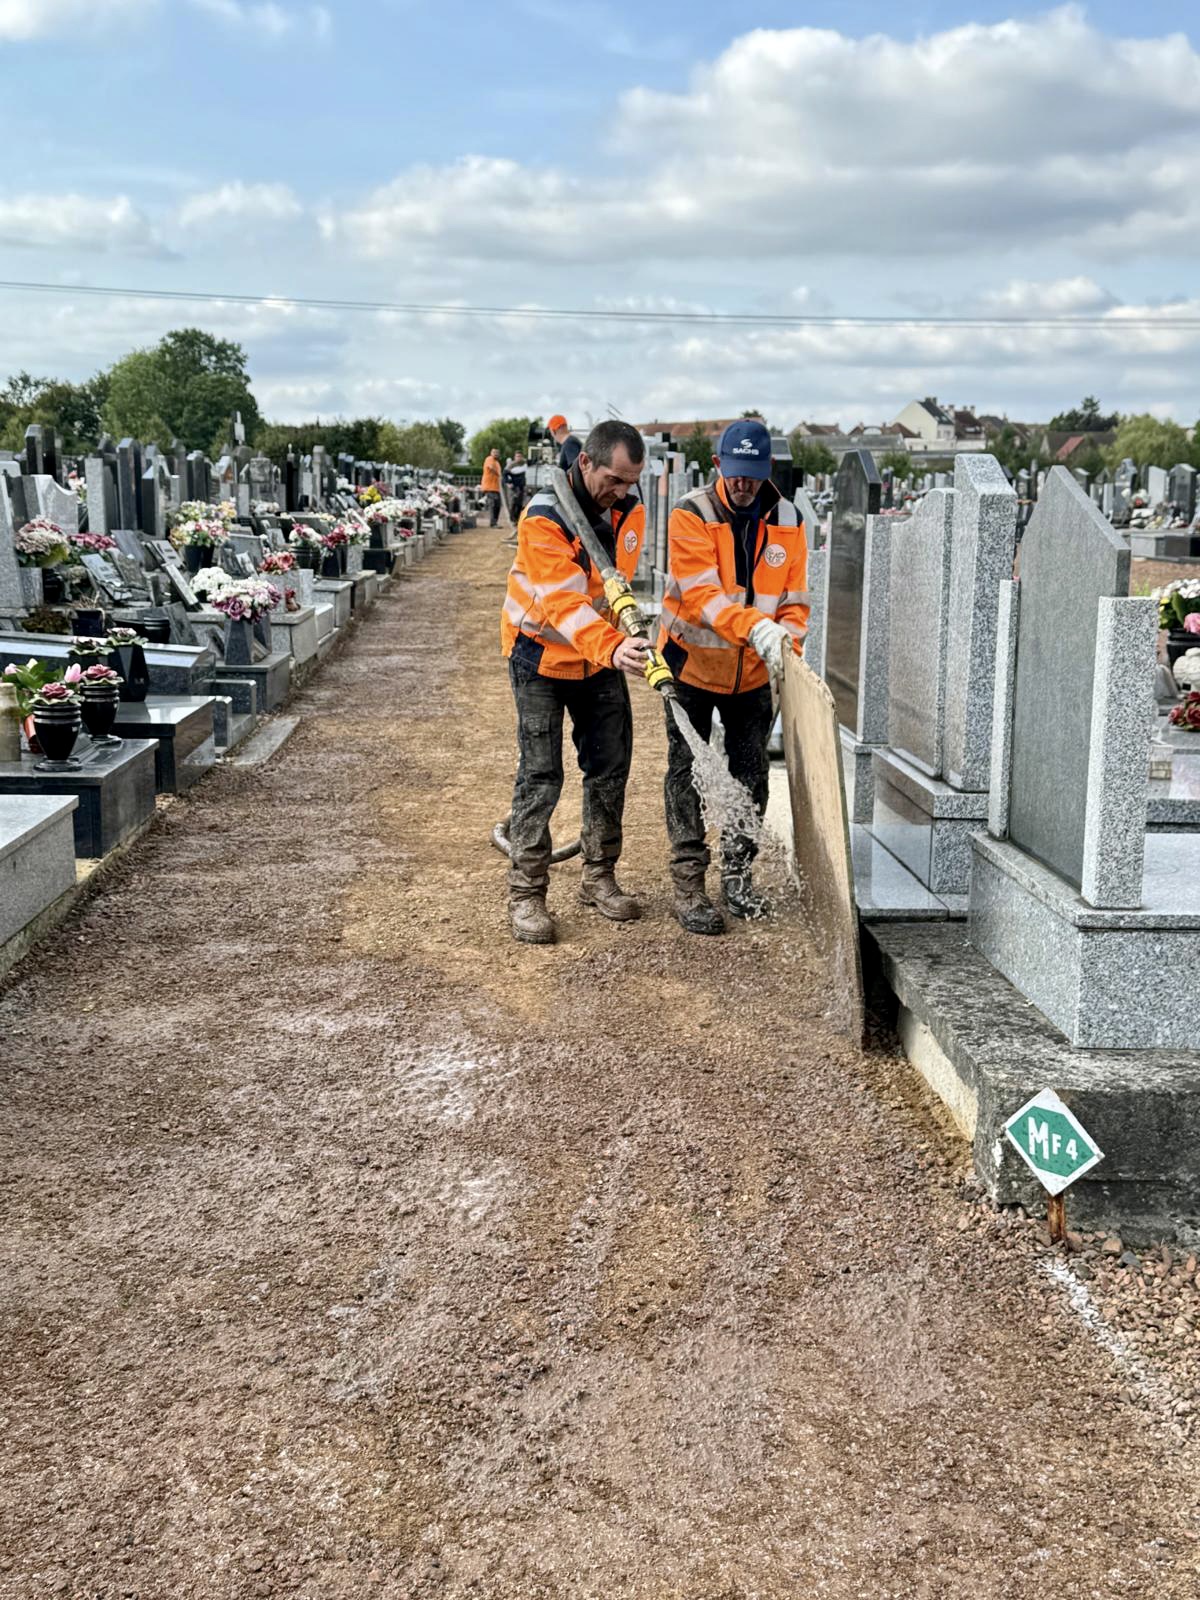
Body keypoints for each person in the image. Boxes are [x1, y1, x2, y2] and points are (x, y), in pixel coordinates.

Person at [657, 418, 810, 935]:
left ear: (767, 470)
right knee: (686, 772)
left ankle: (739, 875)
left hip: (752, 677)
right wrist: (757, 628)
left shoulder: (788, 518)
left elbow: (793, 599)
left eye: (753, 474)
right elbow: (701, 598)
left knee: (752, 775)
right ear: (719, 465)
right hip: (691, 666)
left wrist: (788, 642)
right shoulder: (691, 513)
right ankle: (690, 882)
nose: (743, 484)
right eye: (735, 473)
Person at [501, 420, 650, 945]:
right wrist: (613, 646)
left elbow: (613, 585)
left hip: (599, 659)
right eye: (614, 478)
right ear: (585, 462)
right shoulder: (544, 516)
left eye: (631, 481)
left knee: (610, 767)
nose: (622, 492)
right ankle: (526, 893)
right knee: (541, 776)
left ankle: (599, 877)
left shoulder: (631, 510)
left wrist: (624, 632)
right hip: (540, 656)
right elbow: (564, 603)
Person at [502, 450, 528, 540]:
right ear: (514, 457)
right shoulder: (510, 465)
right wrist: (508, 483)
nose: (518, 458)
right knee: (513, 503)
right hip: (514, 487)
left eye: (520, 456)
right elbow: (504, 475)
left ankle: (518, 520)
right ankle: (513, 520)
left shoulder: (524, 463)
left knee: (520, 504)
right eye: (517, 456)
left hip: (521, 487)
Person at [480, 447, 503, 528]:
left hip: (496, 488)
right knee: (492, 505)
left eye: (497, 453)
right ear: (491, 453)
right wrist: (498, 474)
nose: (496, 454)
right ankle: (493, 523)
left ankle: (495, 522)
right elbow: (491, 467)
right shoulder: (489, 459)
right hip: (489, 487)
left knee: (498, 505)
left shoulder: (497, 463)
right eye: (494, 452)